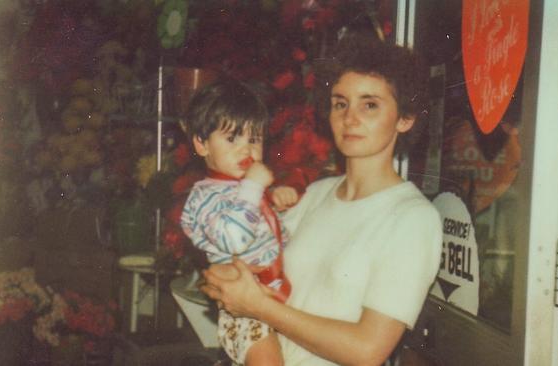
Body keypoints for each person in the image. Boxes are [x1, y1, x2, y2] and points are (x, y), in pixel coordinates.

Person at [200, 34, 442, 365]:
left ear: (405, 118)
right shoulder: (316, 194)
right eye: (340, 103)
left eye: (369, 104)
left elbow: (367, 351)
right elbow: (253, 270)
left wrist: (257, 306)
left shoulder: (413, 218)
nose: (350, 118)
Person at [180, 77, 299, 366]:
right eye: (232, 138)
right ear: (201, 143)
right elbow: (234, 238)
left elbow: (271, 237)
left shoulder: (244, 190)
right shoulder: (206, 198)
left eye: (254, 139)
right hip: (243, 313)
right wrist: (254, 189)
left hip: (271, 300)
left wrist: (279, 208)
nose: (246, 150)